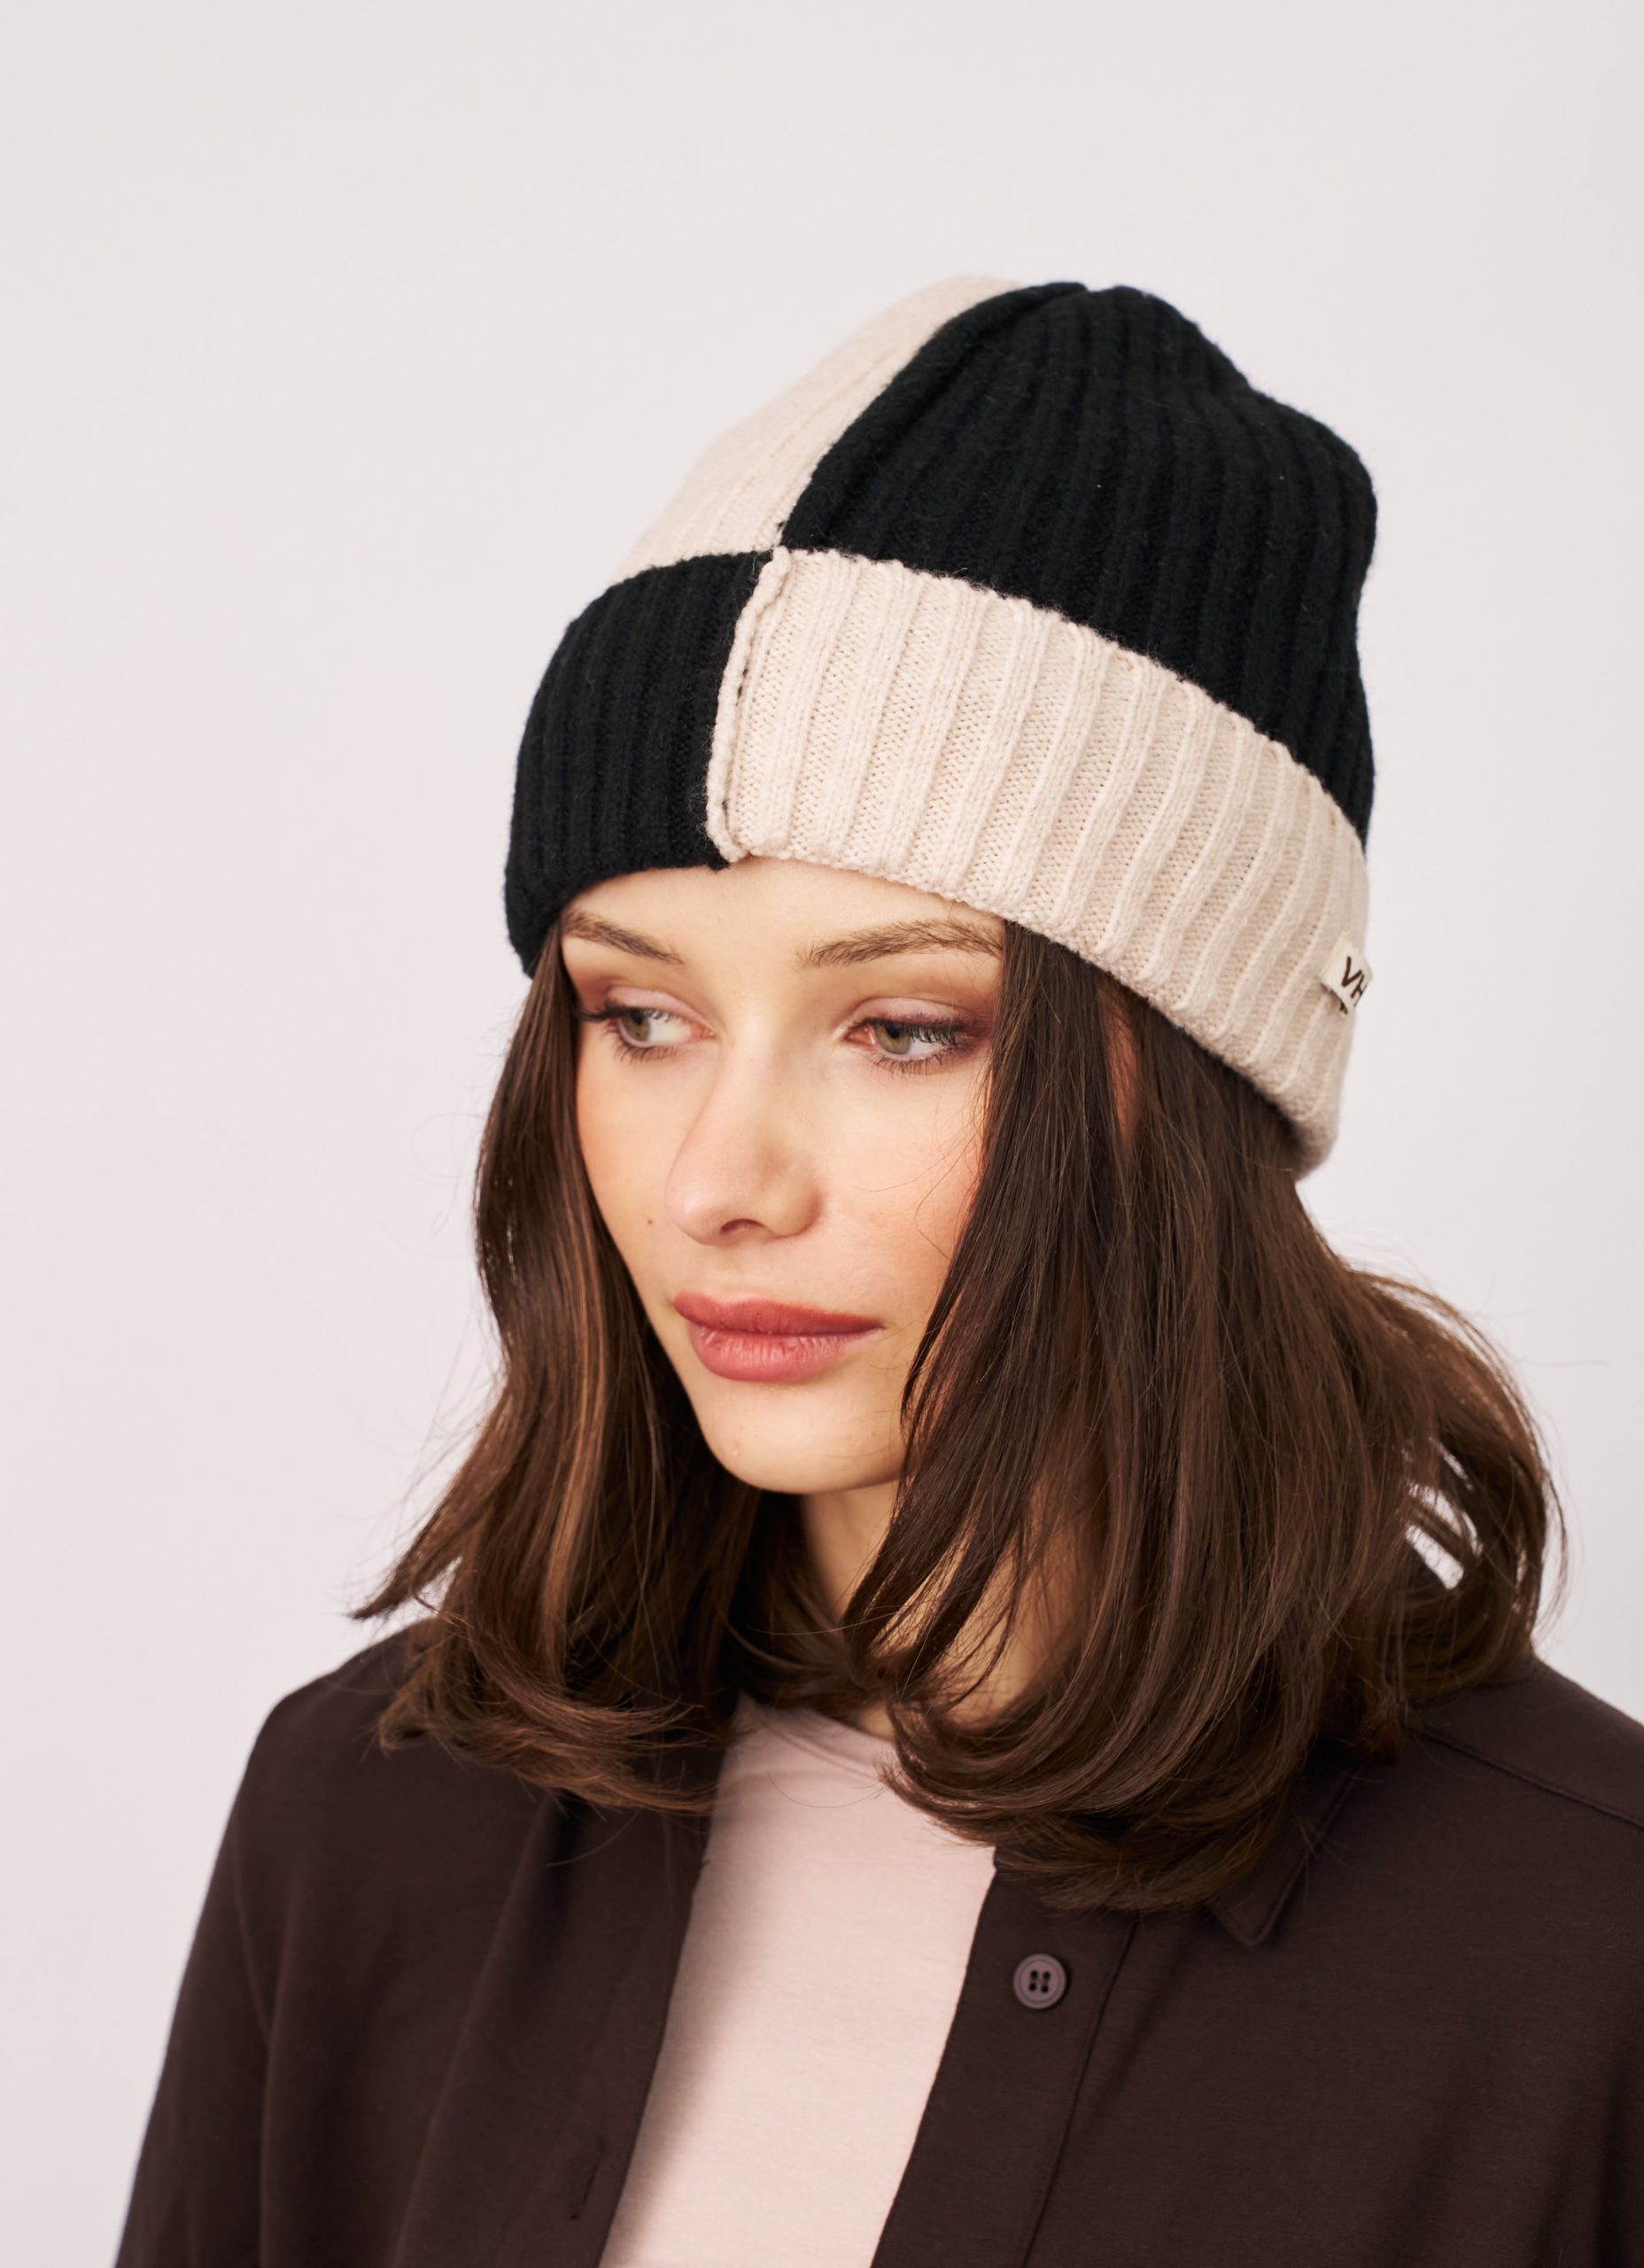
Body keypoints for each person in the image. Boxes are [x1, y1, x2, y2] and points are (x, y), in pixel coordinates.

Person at [114, 277, 1644, 2268]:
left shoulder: (1583, 1951)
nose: (717, 1182)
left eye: (904, 1028)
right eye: (640, 1015)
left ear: (1196, 1086)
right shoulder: (372, 1812)